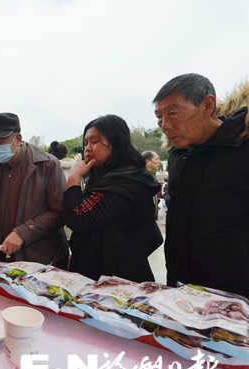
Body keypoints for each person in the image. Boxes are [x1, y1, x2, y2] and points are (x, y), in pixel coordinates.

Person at [153, 73, 249, 296]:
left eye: (173, 113)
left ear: (207, 105)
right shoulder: (178, 154)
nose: (165, 125)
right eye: (159, 117)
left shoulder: (242, 147)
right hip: (181, 284)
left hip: (234, 291)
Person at [63, 115, 162, 282]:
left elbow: (77, 218)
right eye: (86, 143)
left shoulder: (123, 183)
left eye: (94, 141)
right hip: (107, 275)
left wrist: (74, 177)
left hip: (111, 283)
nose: (87, 148)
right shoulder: (115, 177)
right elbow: (154, 237)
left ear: (117, 143)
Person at [0, 113, 68, 267]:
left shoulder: (48, 164)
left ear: (18, 139)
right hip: (6, 258)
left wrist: (23, 233)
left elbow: (59, 213)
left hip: (42, 259)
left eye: (0, 142)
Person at [141, 150, 161, 219]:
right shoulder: (144, 177)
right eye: (156, 159)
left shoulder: (149, 175)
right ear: (147, 162)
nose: (159, 162)